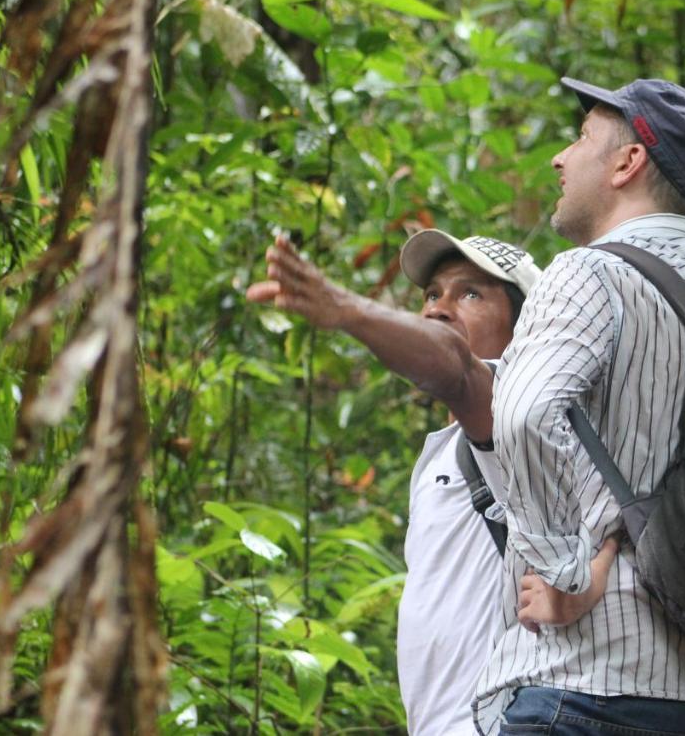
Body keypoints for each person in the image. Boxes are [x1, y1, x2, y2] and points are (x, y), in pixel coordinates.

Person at [472, 78, 685, 734]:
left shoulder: (589, 272)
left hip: (586, 685)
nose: (561, 158)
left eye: (582, 138)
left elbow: (522, 413)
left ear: (627, 162)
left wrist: (570, 569)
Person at [246, 230, 616, 735]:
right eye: (431, 295)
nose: (439, 309)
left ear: (527, 325)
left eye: (470, 294)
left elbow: (457, 369)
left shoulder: (522, 423)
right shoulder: (449, 448)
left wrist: (346, 309)